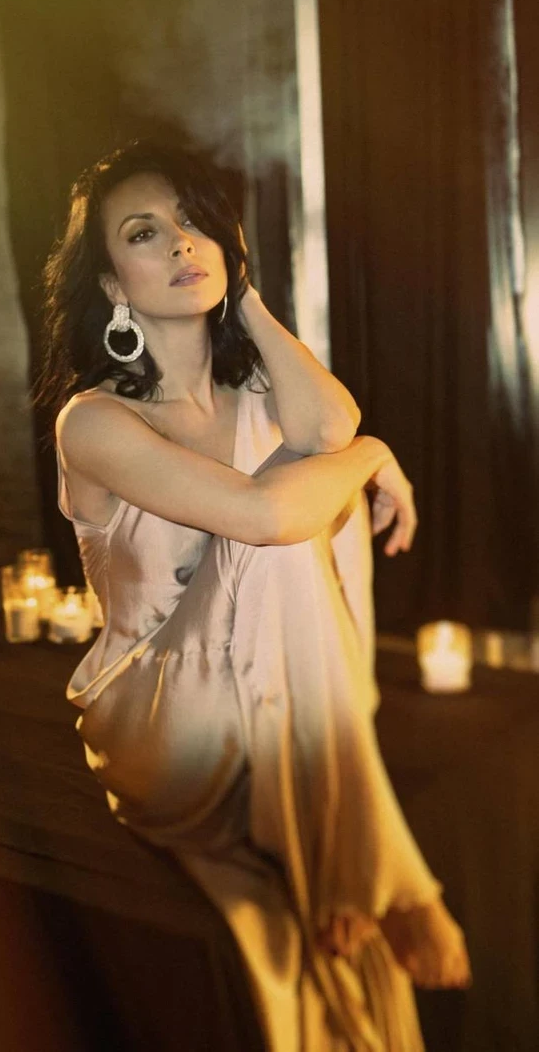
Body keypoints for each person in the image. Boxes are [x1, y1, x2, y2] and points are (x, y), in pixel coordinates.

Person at [33, 140, 471, 1050]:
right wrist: (377, 457)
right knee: (281, 523)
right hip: (166, 717)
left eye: (196, 222)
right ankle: (377, 871)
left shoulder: (256, 395)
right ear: (112, 285)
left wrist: (248, 301)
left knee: (317, 493)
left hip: (278, 704)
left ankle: (340, 842)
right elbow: (271, 513)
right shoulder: (95, 420)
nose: (180, 242)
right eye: (145, 232)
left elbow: (332, 423)